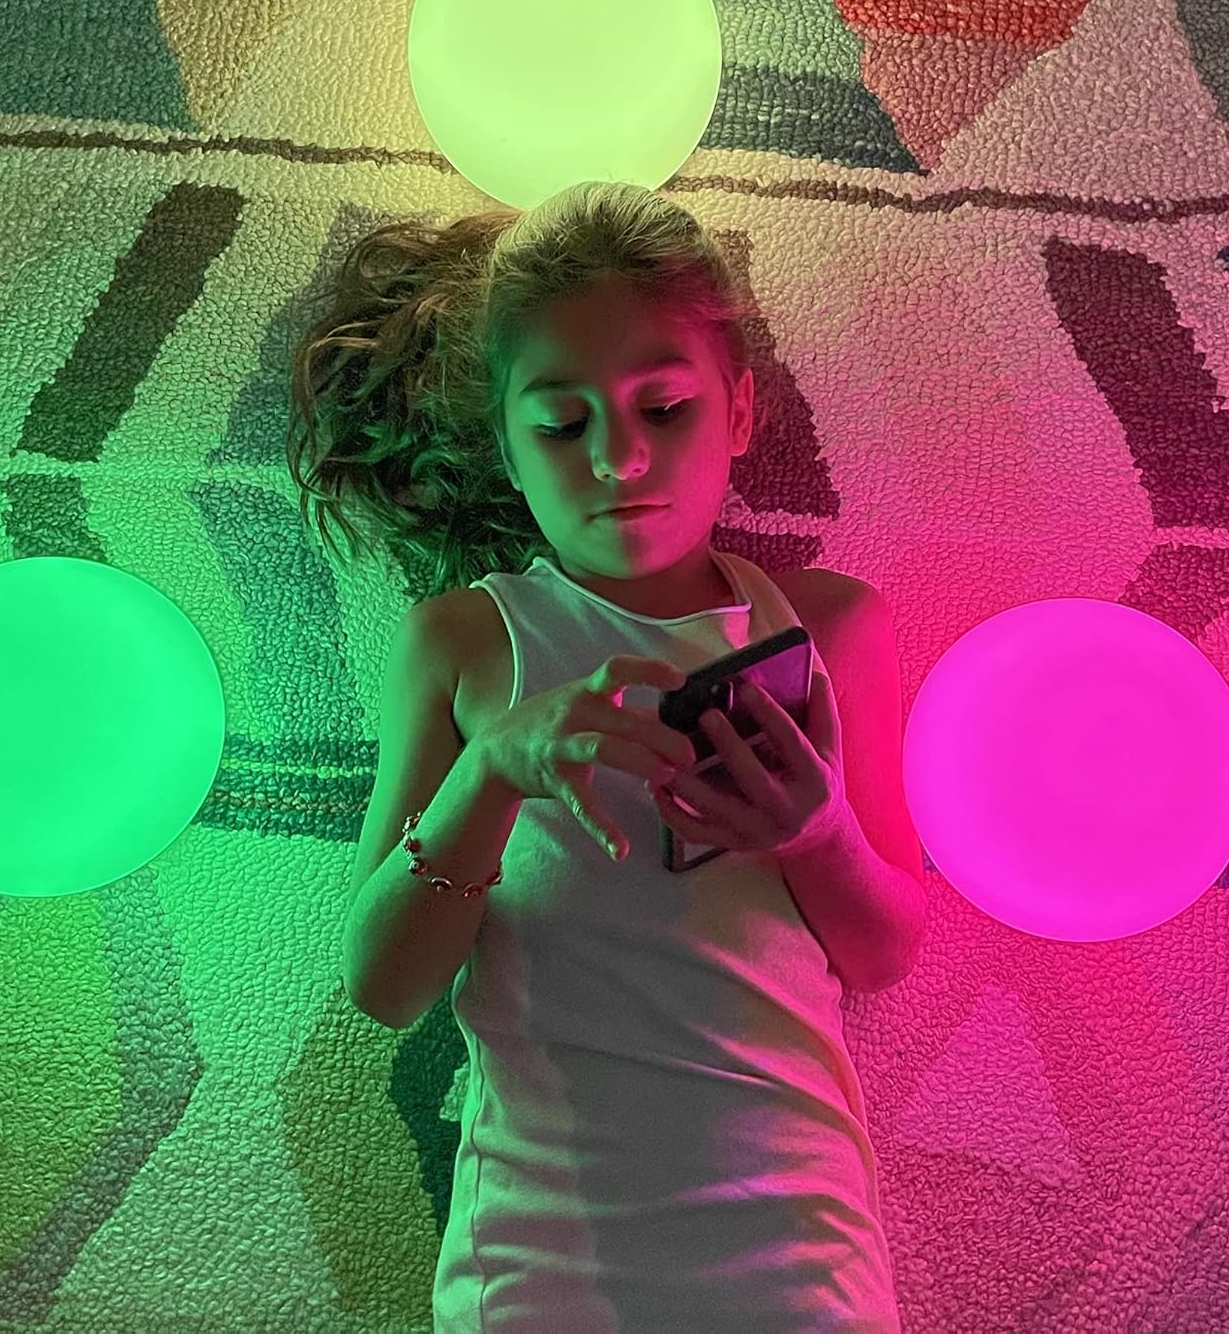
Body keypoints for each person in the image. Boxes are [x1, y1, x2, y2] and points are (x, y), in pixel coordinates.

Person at [288, 180, 906, 1331]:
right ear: (507, 447)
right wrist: (490, 773)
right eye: (563, 427)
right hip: (542, 1258)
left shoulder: (828, 628)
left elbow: (883, 954)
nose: (619, 460)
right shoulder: (466, 644)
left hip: (796, 1254)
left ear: (740, 412)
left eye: (663, 409)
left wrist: (815, 835)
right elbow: (385, 986)